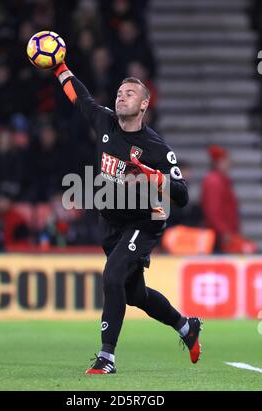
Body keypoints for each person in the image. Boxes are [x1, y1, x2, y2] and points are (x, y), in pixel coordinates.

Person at [43, 57, 203, 374]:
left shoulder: (157, 148)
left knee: (112, 276)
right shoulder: (105, 123)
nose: (120, 96)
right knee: (135, 294)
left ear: (144, 105)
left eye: (129, 93)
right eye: (119, 92)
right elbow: (81, 98)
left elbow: (182, 195)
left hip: (145, 223)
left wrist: (152, 176)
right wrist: (60, 67)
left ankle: (106, 358)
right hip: (112, 224)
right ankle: (186, 326)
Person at [201, 145, 239, 252]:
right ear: (218, 162)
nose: (229, 164)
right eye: (226, 160)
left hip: (224, 233)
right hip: (219, 237)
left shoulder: (220, 180)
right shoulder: (214, 182)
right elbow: (212, 212)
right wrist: (224, 232)